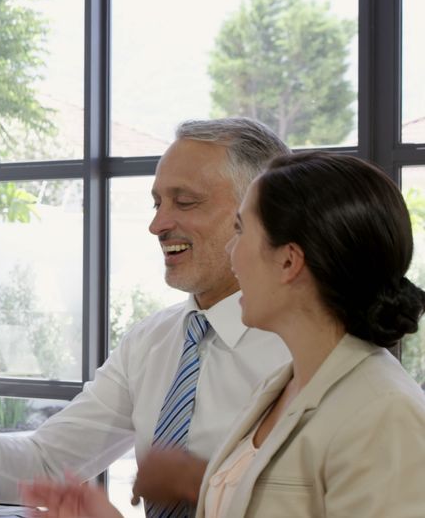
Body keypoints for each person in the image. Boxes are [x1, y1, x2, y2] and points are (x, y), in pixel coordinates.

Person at [0, 118, 293, 516]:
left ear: (259, 214)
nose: (158, 224)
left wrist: (196, 484)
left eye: (185, 202)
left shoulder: (306, 349)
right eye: (157, 203)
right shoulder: (153, 342)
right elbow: (47, 462)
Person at [22, 151, 425, 518]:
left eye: (241, 231)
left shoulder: (384, 412)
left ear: (288, 261)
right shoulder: (279, 390)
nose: (232, 253)